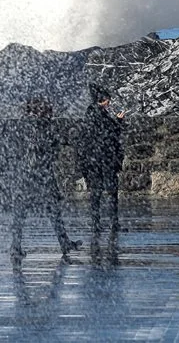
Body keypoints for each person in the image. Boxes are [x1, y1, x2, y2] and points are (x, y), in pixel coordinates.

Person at [10, 97, 82, 264]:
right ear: (41, 111)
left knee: (22, 214)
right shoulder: (39, 126)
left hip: (26, 176)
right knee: (51, 211)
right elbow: (43, 149)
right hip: (38, 176)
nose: (51, 113)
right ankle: (63, 244)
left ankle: (16, 247)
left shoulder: (25, 126)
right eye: (48, 110)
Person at [77, 84, 126, 262]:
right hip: (103, 159)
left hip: (92, 160)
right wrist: (119, 121)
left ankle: (97, 223)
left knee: (96, 192)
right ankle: (112, 222)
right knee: (111, 191)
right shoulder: (100, 115)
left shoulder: (89, 115)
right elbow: (110, 134)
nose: (109, 102)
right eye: (107, 99)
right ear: (102, 100)